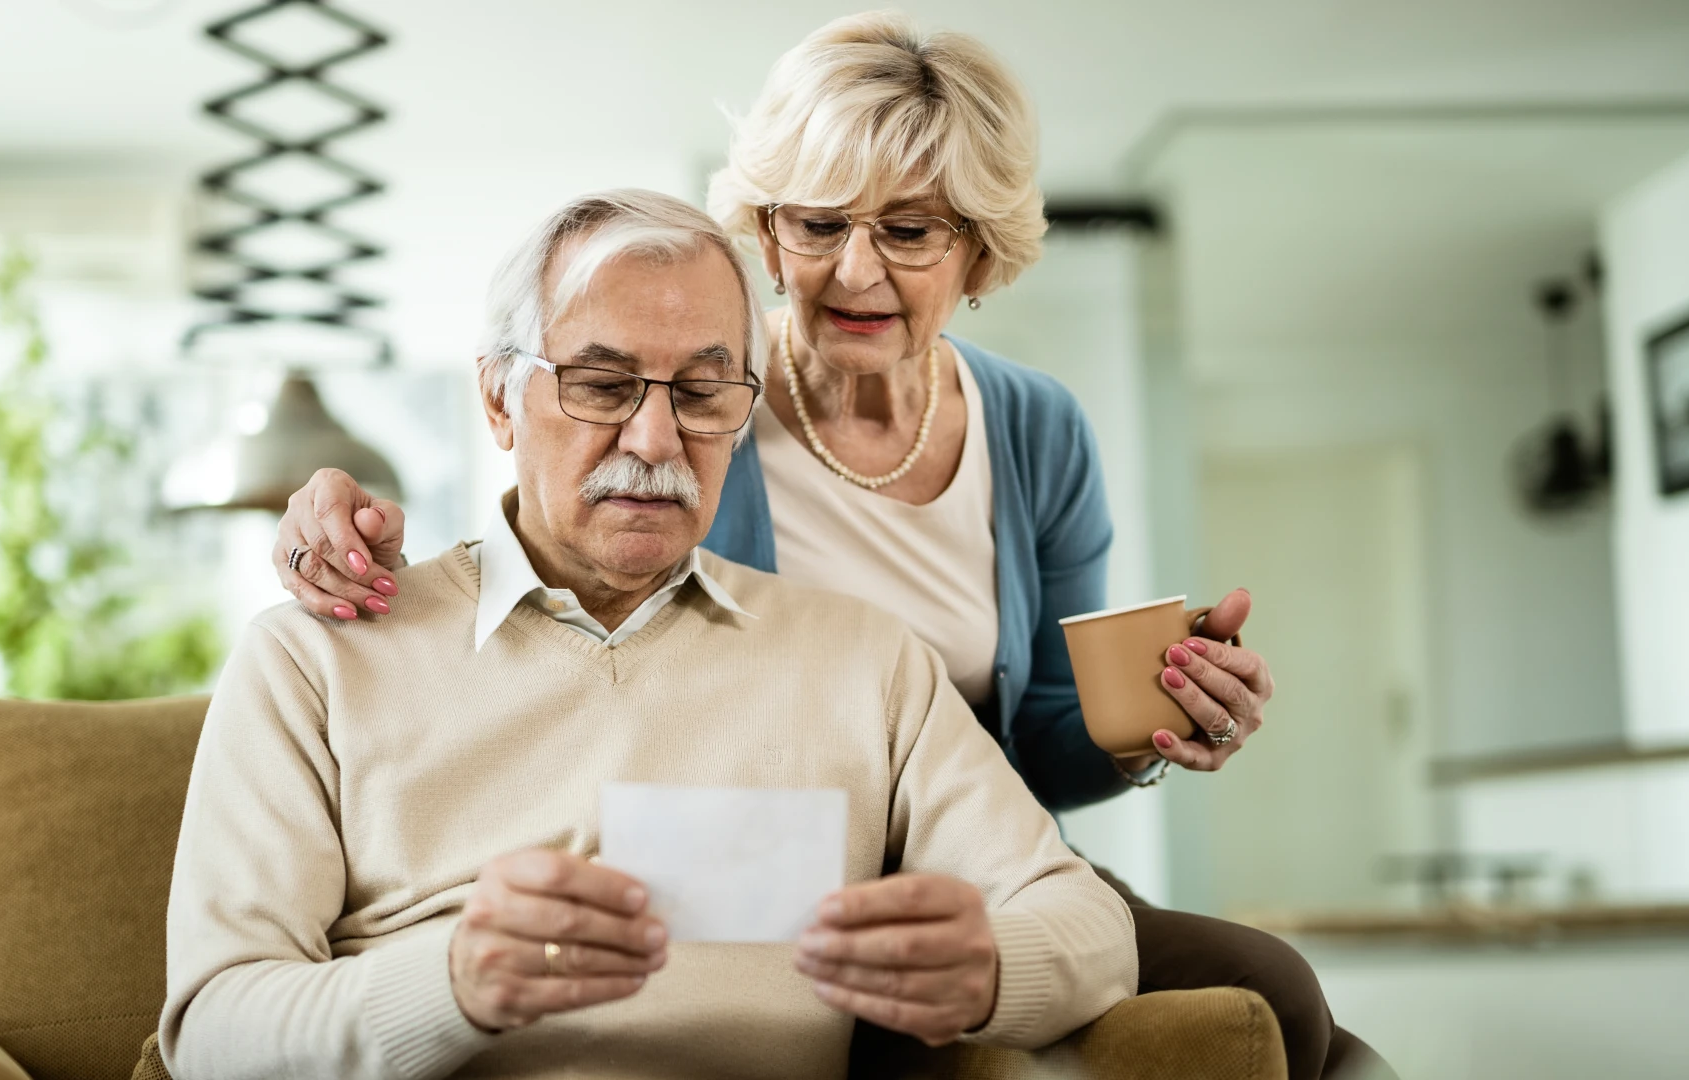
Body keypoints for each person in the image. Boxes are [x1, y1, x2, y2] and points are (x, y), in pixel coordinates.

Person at [264, 14, 1389, 1080]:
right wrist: (334, 515)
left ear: (977, 251)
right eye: (816, 225)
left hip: (958, 861)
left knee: (1274, 990)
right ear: (766, 231)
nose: (857, 272)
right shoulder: (699, 406)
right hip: (757, 864)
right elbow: (546, 547)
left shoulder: (1037, 431)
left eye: (907, 231)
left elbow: (1038, 746)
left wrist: (1152, 723)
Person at [160, 190, 1138, 1080]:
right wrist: (452, 985)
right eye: (600, 384)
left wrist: (992, 970)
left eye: (704, 393)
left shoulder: (864, 660)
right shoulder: (317, 656)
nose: (656, 441)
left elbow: (1091, 928)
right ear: (500, 396)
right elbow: (214, 1029)